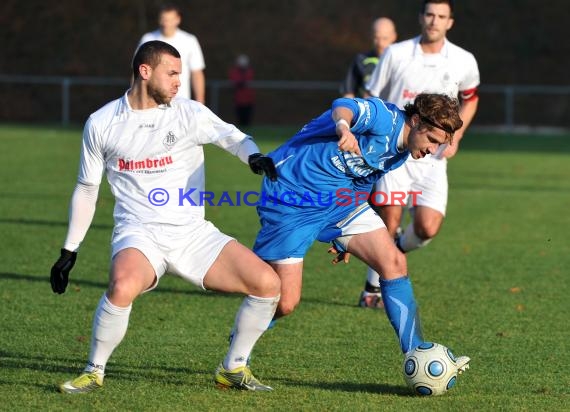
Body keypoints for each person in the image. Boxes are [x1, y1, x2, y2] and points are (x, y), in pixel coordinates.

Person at [50, 40, 282, 393]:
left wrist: (253, 156)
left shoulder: (188, 112)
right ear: (145, 72)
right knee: (122, 286)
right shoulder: (102, 123)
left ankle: (233, 368)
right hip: (139, 233)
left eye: (181, 74)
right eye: (172, 73)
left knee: (267, 284)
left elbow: (233, 137)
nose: (178, 81)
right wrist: (70, 250)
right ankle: (94, 370)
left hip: (192, 234)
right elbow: (87, 188)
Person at [251, 92, 470, 374]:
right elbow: (343, 106)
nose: (432, 150)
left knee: (394, 263)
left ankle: (416, 354)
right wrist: (343, 127)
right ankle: (241, 342)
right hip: (292, 194)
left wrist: (342, 233)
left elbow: (360, 181)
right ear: (416, 121)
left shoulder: (401, 153)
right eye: (432, 141)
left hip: (339, 203)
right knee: (285, 303)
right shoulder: (385, 119)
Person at [359, 0, 480, 309]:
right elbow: (371, 97)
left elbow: (471, 98)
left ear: (450, 22)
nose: (434, 21)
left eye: (441, 16)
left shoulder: (464, 60)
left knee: (427, 228)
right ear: (420, 18)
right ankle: (373, 289)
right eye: (429, 14)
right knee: (390, 217)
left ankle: (393, 250)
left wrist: (458, 135)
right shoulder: (396, 54)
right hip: (395, 153)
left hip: (434, 159)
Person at [138, 4, 206, 103]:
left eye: (170, 19)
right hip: (151, 101)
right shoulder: (147, 39)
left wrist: (200, 101)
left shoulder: (189, 40)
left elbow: (197, 73)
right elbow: (138, 71)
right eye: (163, 19)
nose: (166, 23)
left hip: (180, 101)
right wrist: (137, 97)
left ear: (178, 20)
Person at [340, 17, 397, 98]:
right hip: (369, 109)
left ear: (394, 36)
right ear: (371, 35)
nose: (380, 43)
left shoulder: (403, 60)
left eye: (385, 38)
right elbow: (348, 93)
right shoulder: (361, 59)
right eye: (376, 38)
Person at [228, 54, 255, 127]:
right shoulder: (234, 71)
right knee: (240, 118)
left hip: (249, 99)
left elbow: (248, 80)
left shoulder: (249, 71)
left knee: (247, 118)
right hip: (238, 99)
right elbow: (235, 81)